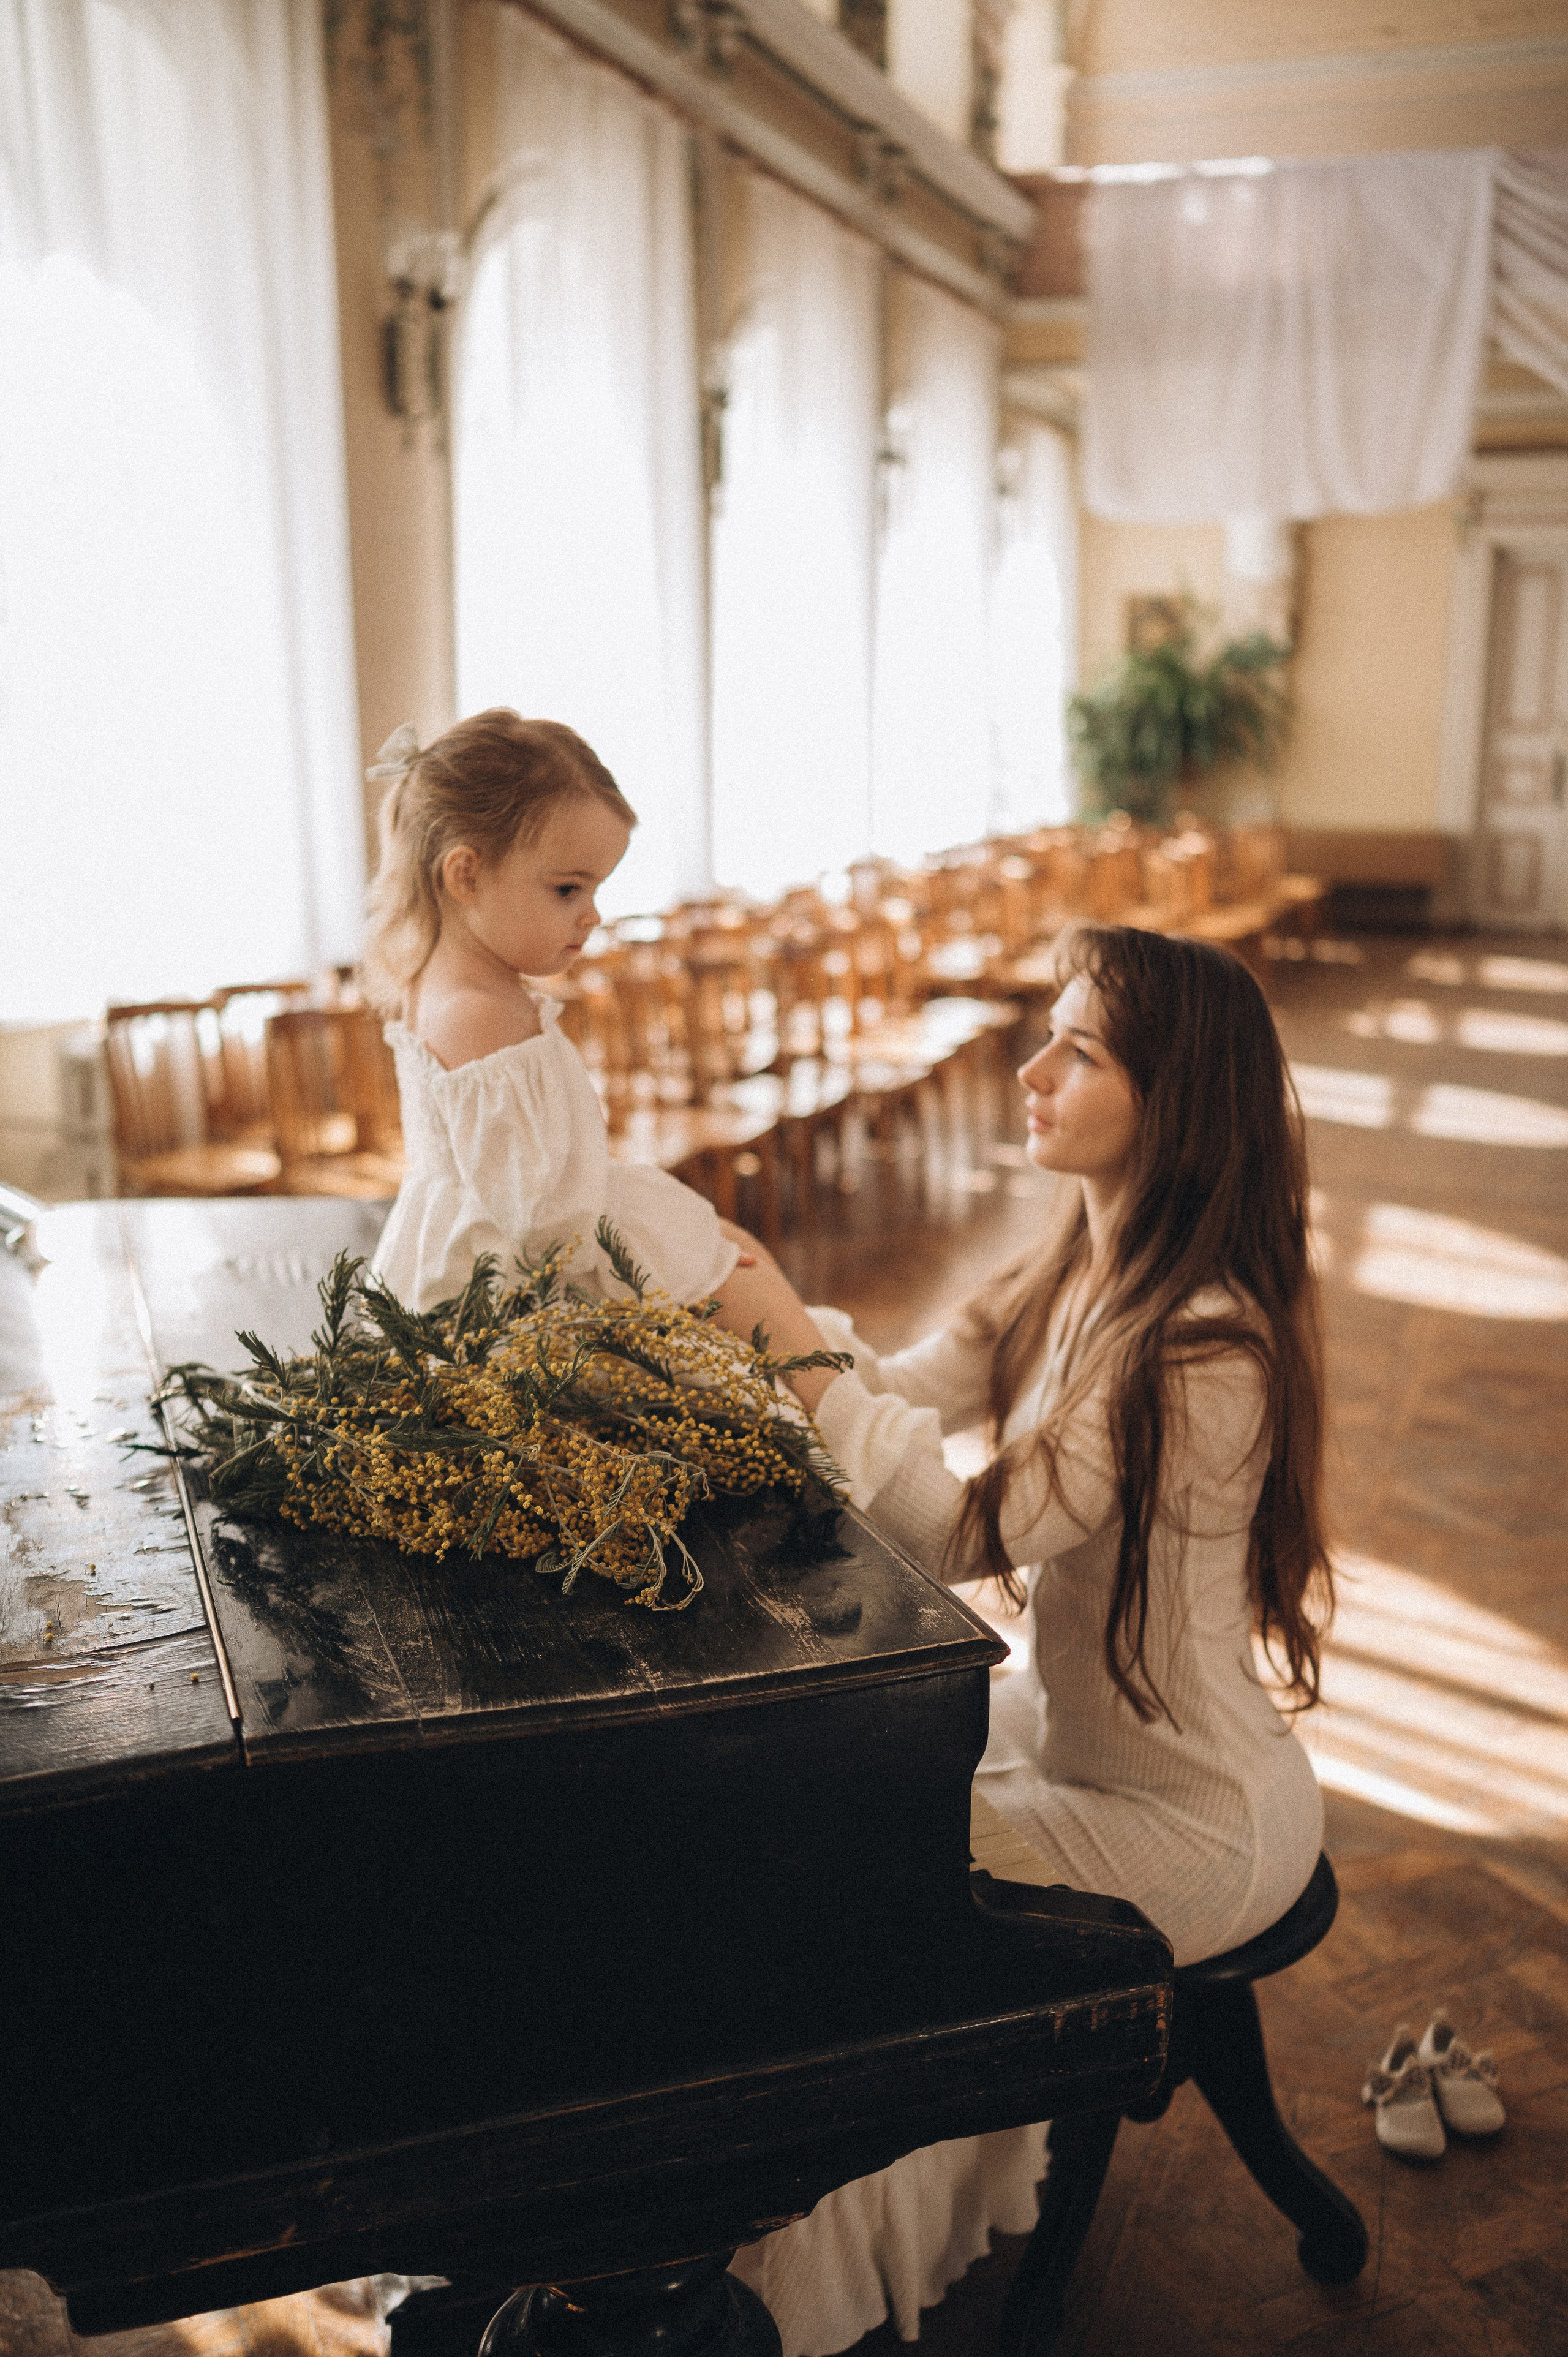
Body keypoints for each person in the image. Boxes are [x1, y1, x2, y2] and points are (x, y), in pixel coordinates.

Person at [724, 922, 1334, 2355]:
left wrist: (785, 1347)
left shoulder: (1200, 1344)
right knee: (826, 1806)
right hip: (1095, 1757)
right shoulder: (1077, 1255)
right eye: (1042, 1031)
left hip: (1191, 1819)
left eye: (1080, 1047)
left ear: (1170, 1100)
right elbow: (900, 1383)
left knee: (842, 1877)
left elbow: (958, 1534)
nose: (1030, 1063)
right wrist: (777, 1317)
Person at [359, 710, 776, 1335]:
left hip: (510, 1248)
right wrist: (673, 1249)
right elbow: (541, 1221)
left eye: (594, 890)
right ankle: (862, 1417)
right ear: (466, 873)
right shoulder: (476, 1009)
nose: (591, 916)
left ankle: (865, 1390)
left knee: (726, 1248)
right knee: (733, 1269)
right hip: (505, 1294)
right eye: (567, 890)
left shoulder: (458, 984)